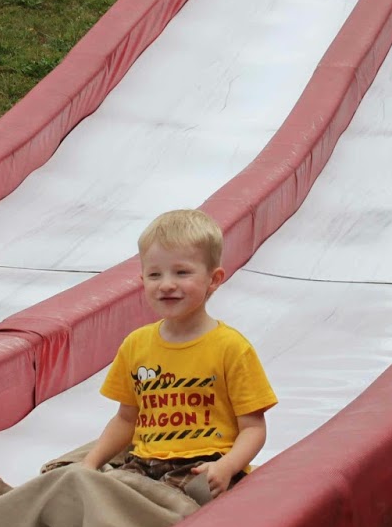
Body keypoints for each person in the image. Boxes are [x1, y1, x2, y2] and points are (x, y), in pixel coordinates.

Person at [80, 209, 277, 500]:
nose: (166, 284)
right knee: (101, 490)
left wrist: (227, 466)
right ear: (143, 280)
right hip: (145, 464)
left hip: (202, 465)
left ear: (213, 279)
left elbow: (253, 428)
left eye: (182, 272)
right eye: (154, 274)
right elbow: (125, 420)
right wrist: (89, 464)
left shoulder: (231, 347)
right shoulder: (136, 344)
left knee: (169, 498)